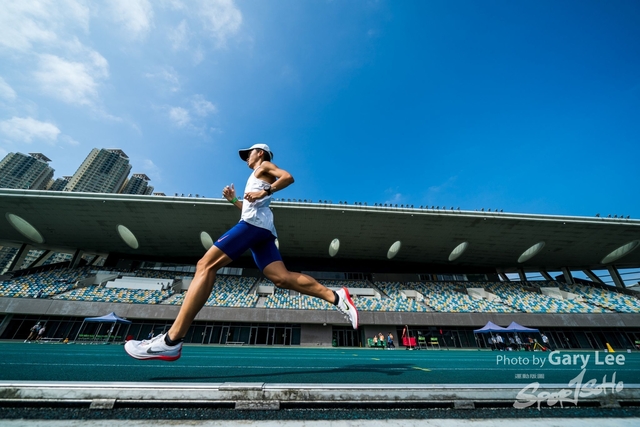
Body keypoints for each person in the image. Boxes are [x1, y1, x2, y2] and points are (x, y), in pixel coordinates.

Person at [125, 144, 359, 361]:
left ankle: (172, 340)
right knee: (281, 278)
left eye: (249, 152)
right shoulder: (254, 176)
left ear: (260, 153)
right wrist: (234, 200)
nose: (246, 157)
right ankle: (336, 296)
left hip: (254, 226)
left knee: (205, 265)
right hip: (262, 229)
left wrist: (266, 190)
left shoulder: (264, 167)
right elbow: (250, 206)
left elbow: (288, 177)